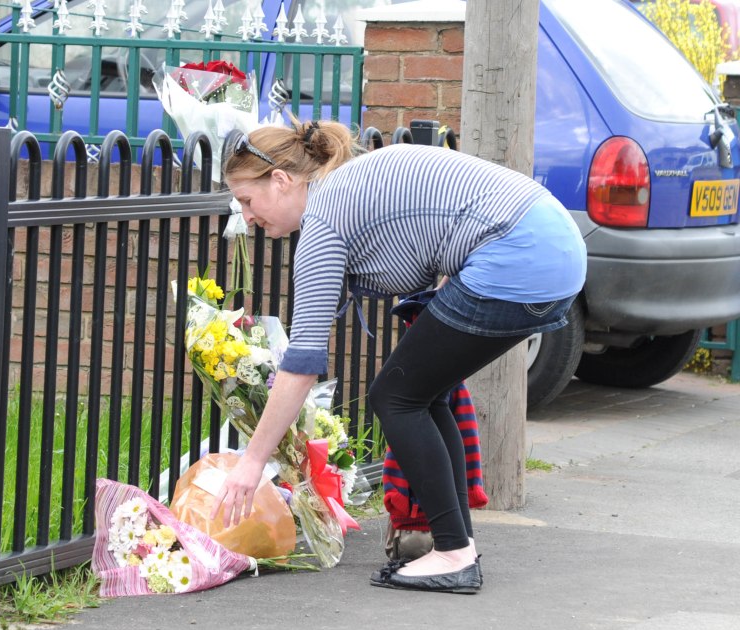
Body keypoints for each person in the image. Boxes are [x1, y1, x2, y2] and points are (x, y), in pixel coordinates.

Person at [209, 118, 586, 594]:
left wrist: (251, 463)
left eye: (247, 200)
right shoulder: (349, 183)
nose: (245, 217)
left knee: (396, 396)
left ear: (282, 181)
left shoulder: (325, 219)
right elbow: (444, 216)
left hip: (517, 253)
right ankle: (454, 543)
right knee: (422, 394)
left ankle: (453, 553)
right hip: (555, 247)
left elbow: (303, 361)